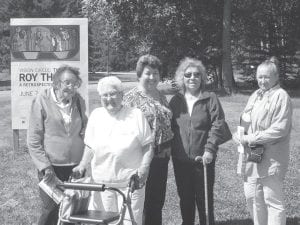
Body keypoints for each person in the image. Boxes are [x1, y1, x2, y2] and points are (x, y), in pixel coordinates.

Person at [72, 76, 153, 225]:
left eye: (113, 93)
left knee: (131, 222)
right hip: (103, 183)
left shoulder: (135, 115)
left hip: (131, 183)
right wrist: (83, 164)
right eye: (105, 95)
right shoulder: (96, 115)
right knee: (106, 221)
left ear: (122, 95)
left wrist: (144, 167)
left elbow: (148, 145)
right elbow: (90, 145)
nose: (109, 98)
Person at [169, 57, 232, 225]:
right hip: (180, 160)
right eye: (188, 74)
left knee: (204, 199)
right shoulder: (175, 100)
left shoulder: (210, 98)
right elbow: (170, 127)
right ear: (182, 78)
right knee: (185, 197)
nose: (192, 78)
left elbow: (218, 124)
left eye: (196, 74)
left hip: (203, 159)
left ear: (202, 77)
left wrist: (210, 149)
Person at [234, 57, 293, 225]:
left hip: (272, 157)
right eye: (260, 76)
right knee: (253, 197)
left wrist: (249, 138)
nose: (262, 80)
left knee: (271, 199)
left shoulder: (281, 96)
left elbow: (279, 130)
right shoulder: (256, 95)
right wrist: (239, 135)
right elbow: (246, 119)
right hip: (253, 154)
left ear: (276, 77)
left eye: (267, 77)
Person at [27, 65, 87, 225]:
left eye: (75, 83)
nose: (71, 87)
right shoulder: (42, 100)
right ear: (56, 83)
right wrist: (45, 167)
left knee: (74, 210)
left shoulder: (79, 101)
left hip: (75, 168)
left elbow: (85, 128)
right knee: (51, 210)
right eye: (67, 82)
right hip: (51, 168)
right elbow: (33, 140)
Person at [122, 54, 174, 225]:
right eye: (148, 73)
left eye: (156, 73)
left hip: (162, 156)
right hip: (140, 157)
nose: (152, 77)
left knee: (157, 200)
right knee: (139, 200)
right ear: (140, 74)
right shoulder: (130, 98)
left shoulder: (161, 96)